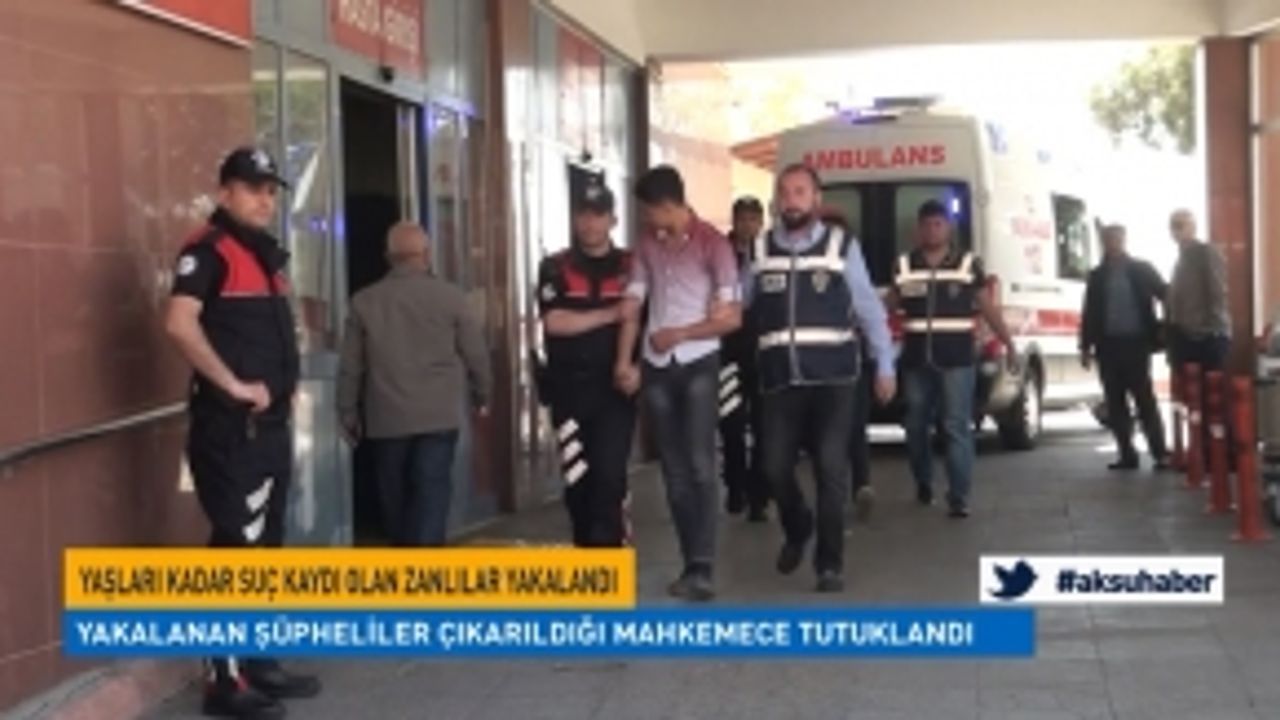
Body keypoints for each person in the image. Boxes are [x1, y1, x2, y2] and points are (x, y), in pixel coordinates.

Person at [165, 147, 320, 720]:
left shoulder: (264, 256)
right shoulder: (207, 251)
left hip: (270, 430)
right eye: (254, 188)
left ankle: (258, 661)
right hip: (231, 431)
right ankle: (223, 682)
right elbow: (178, 323)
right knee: (237, 549)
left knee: (265, 549)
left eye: (271, 190)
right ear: (224, 192)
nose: (265, 199)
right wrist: (231, 384)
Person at [748, 165, 896, 593]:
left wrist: (884, 364)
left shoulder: (841, 246)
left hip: (834, 377)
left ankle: (829, 564)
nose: (791, 200)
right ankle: (798, 526)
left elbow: (868, 308)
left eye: (800, 192)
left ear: (816, 199)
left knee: (831, 469)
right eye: (784, 192)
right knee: (774, 466)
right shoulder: (759, 249)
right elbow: (738, 303)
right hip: (780, 379)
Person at [616, 165, 742, 602]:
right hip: (656, 366)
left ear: (668, 205)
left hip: (699, 362)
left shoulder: (714, 245)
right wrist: (625, 359)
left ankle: (704, 565)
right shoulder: (647, 244)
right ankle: (690, 564)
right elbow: (633, 302)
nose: (647, 219)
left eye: (649, 210)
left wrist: (682, 334)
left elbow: (731, 318)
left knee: (701, 464)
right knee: (672, 470)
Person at [337, 222, 491, 547]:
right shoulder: (451, 298)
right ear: (427, 255)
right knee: (431, 490)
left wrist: (347, 411)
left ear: (388, 257)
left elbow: (351, 366)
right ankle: (425, 561)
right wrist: (482, 394)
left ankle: (404, 554)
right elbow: (476, 354)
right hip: (438, 416)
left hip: (387, 419)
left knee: (395, 495)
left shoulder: (364, 301)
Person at [888, 199, 1015, 519]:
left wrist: (1008, 341)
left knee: (956, 426)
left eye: (938, 224)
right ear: (918, 230)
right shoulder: (904, 266)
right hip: (917, 360)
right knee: (915, 425)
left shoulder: (968, 264)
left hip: (957, 359)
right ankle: (923, 481)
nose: (932, 230)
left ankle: (959, 496)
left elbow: (987, 307)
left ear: (949, 228)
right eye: (927, 225)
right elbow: (887, 305)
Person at [535, 179, 637, 546]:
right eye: (583, 215)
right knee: (578, 485)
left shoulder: (632, 267)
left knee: (610, 479)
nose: (590, 223)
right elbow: (554, 322)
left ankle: (610, 558)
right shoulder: (554, 267)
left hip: (615, 392)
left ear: (612, 220)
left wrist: (638, 369)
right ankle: (587, 557)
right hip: (568, 393)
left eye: (598, 215)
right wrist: (611, 314)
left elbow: (646, 320)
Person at [1079, 224, 1171, 471]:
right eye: (1109, 239)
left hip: (1136, 343)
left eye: (1117, 239)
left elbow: (1165, 294)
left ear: (1124, 240)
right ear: (1104, 242)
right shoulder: (1097, 275)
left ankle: (1160, 452)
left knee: (1144, 399)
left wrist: (1165, 326)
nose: (1113, 243)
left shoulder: (1141, 269)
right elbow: (1089, 312)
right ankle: (1126, 454)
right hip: (1108, 345)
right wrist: (1085, 346)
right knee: (1115, 401)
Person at [819, 207, 880, 522]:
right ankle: (838, 495)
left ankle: (861, 484)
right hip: (816, 363)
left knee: (854, 425)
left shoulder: (852, 265)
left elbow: (868, 307)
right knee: (829, 432)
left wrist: (883, 360)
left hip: (851, 358)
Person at [1166, 208, 1233, 468]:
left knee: (1213, 399)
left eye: (1182, 224)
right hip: (1185, 336)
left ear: (1193, 227)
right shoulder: (1180, 260)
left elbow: (1218, 293)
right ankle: (1201, 453)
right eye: (1173, 225)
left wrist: (1214, 329)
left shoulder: (1206, 253)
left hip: (1207, 337)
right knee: (1192, 401)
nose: (1177, 230)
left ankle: (1220, 455)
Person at [719, 195, 769, 522]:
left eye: (753, 219)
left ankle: (759, 495)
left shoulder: (770, 254)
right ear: (734, 221)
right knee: (731, 423)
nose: (748, 225)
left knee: (765, 425)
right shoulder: (719, 252)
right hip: (728, 350)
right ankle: (735, 486)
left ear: (761, 223)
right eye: (743, 219)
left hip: (763, 349)